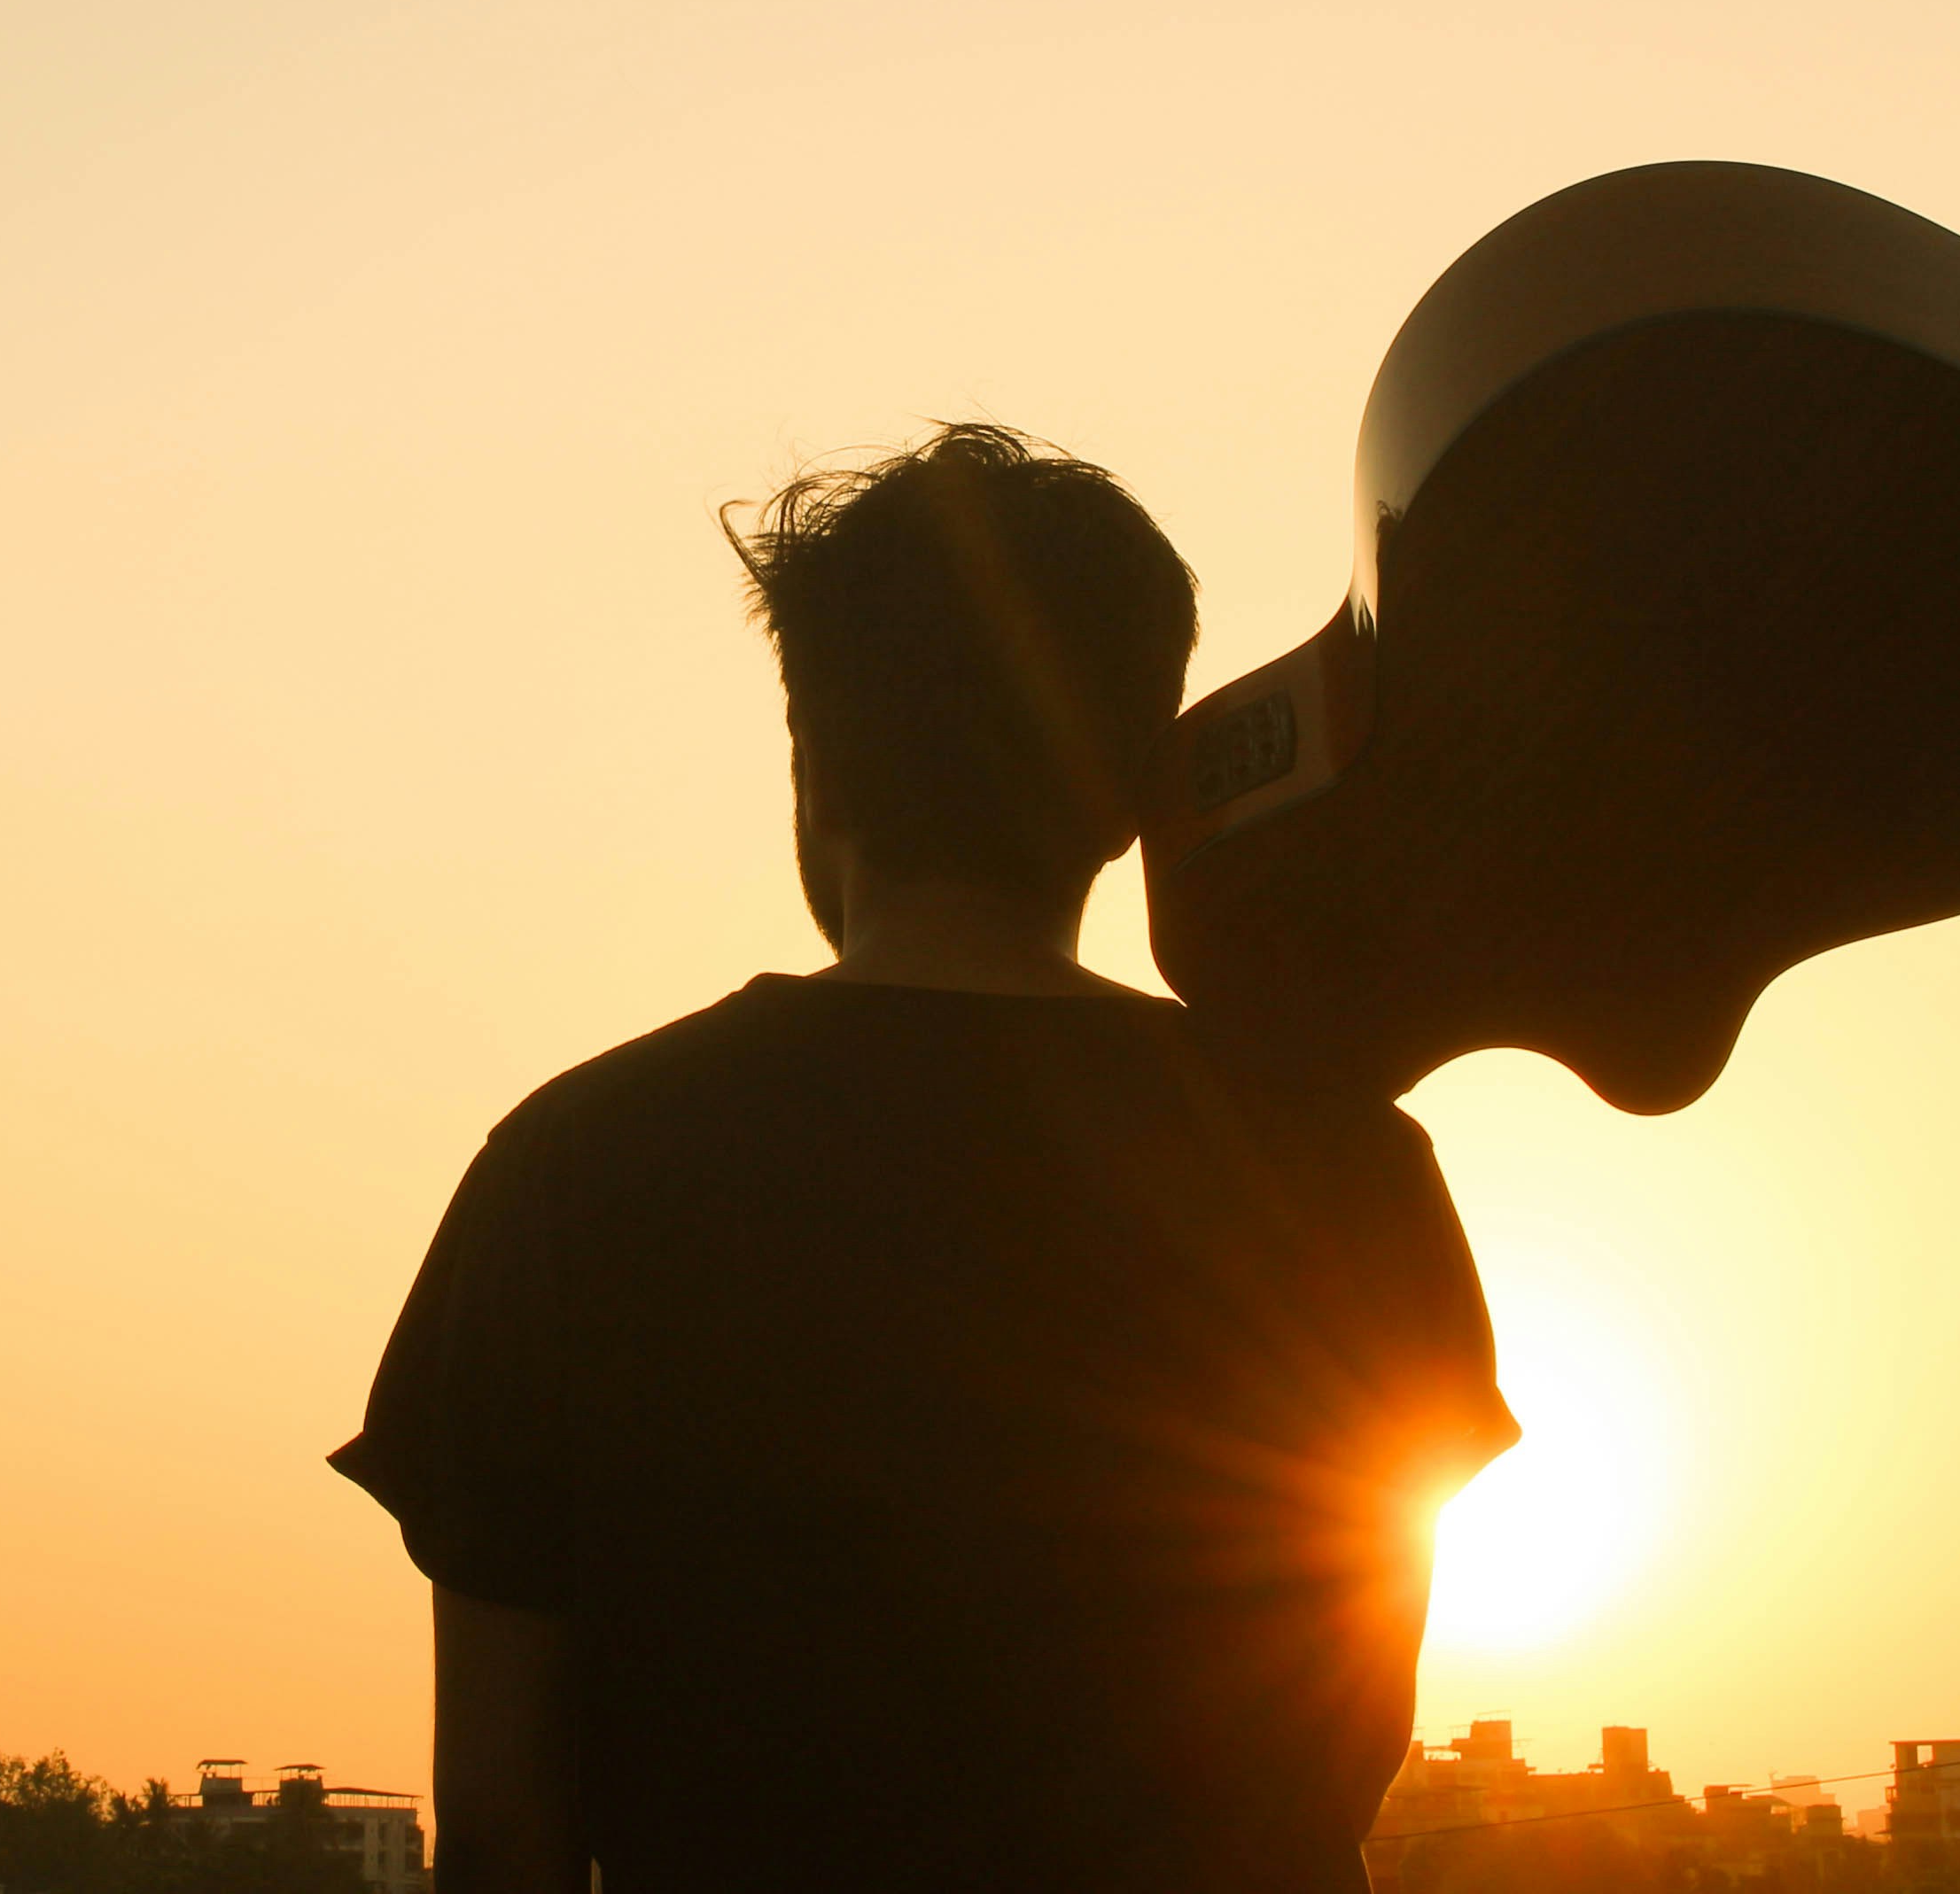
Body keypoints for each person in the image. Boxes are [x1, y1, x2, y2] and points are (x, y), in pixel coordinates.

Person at [333, 423, 1517, 1894]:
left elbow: (504, 1821)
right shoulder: (1349, 1167)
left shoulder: (572, 1169)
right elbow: (1343, 1748)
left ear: (811, 759)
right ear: (1145, 783)